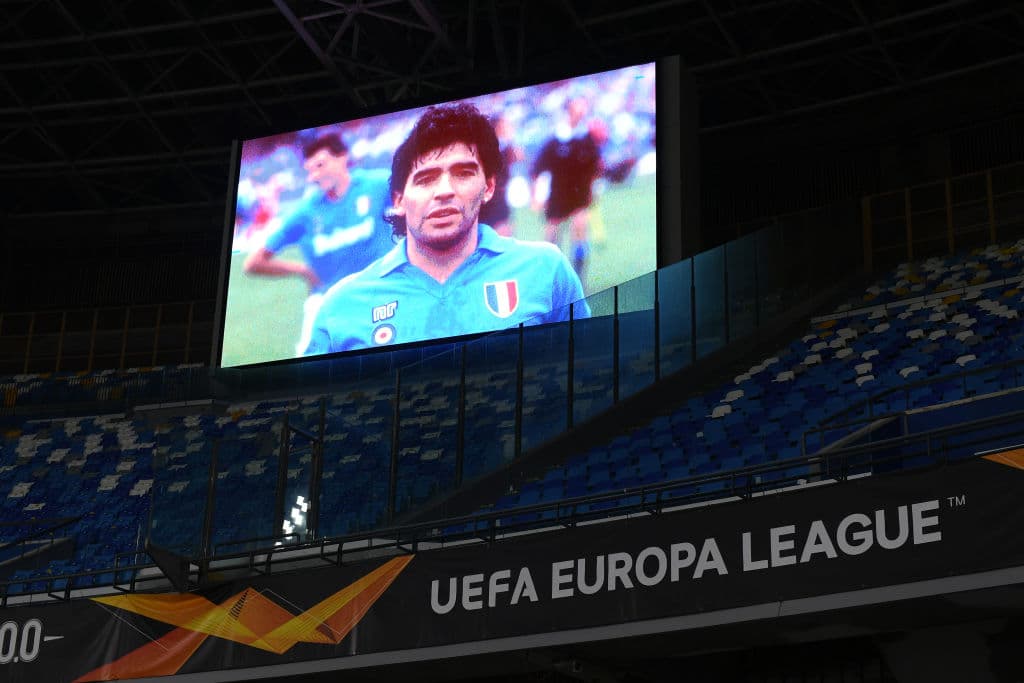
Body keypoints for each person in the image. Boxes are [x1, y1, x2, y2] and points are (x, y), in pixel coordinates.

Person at [305, 102, 590, 355]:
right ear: (398, 200)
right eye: (425, 178)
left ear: (488, 186)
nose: (444, 191)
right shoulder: (340, 307)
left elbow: (588, 375)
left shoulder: (545, 270)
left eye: (463, 173)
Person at [242, 133, 393, 355]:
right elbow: (253, 262)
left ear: (342, 157)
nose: (314, 175)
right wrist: (302, 269)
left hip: (381, 292)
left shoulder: (379, 184)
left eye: (321, 165)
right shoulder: (305, 211)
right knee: (306, 371)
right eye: (310, 170)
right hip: (330, 301)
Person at [530, 97, 606, 284]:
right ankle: (551, 276)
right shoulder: (556, 139)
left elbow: (596, 166)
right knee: (551, 236)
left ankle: (579, 279)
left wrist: (592, 189)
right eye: (577, 106)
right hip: (558, 194)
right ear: (568, 110)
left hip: (579, 194)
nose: (581, 110)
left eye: (583, 106)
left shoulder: (586, 138)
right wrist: (537, 195)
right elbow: (537, 169)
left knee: (580, 229)